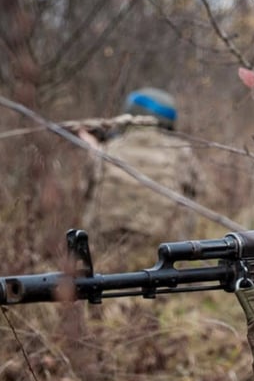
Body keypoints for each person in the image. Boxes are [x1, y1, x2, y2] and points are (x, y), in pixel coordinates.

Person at [81, 87, 200, 255]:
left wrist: (94, 151)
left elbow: (85, 191)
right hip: (166, 249)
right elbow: (196, 193)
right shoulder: (182, 152)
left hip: (108, 249)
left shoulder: (106, 150)